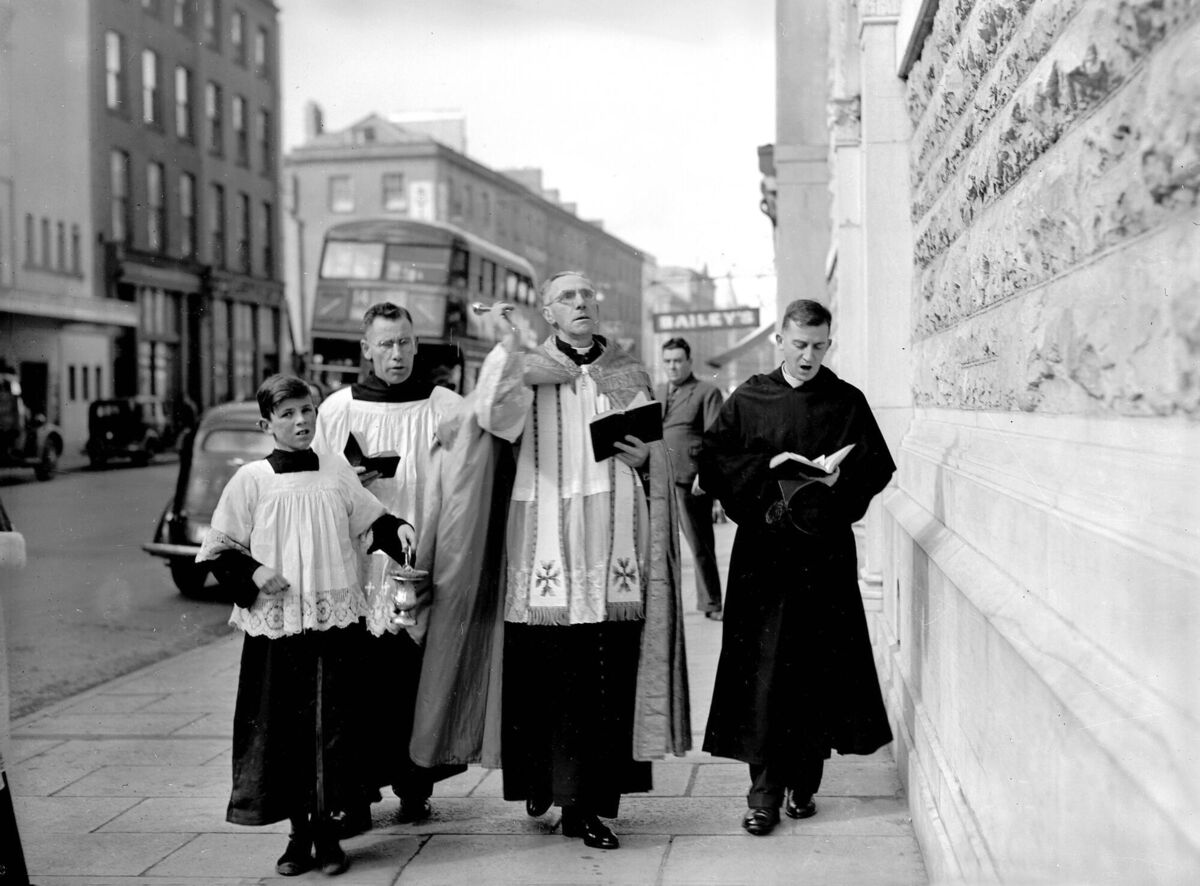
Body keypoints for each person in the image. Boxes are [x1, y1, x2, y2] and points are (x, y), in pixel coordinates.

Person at [472, 271, 691, 851]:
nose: (581, 303)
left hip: (613, 535)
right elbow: (493, 417)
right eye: (567, 297)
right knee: (549, 671)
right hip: (544, 529)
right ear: (547, 313)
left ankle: (587, 804)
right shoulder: (526, 369)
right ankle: (546, 780)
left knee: (602, 673)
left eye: (588, 294)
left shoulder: (628, 371)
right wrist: (505, 348)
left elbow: (656, 450)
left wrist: (650, 457)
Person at [198, 374, 416, 876]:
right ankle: (298, 835)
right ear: (267, 423)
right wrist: (254, 571)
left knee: (335, 730)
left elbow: (371, 518)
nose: (301, 422)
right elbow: (219, 547)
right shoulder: (252, 480)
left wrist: (396, 528)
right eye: (288, 414)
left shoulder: (336, 471)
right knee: (286, 731)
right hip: (280, 628)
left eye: (308, 411)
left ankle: (329, 833)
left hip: (336, 624)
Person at [698, 299, 896, 836]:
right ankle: (762, 793)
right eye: (800, 345)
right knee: (762, 671)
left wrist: (834, 490)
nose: (809, 356)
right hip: (763, 555)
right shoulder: (750, 397)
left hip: (823, 556)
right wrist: (767, 472)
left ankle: (803, 783)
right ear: (779, 342)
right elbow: (714, 460)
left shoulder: (845, 400)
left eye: (820, 346)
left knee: (815, 670)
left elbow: (875, 467)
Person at [311, 303, 472, 830]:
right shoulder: (338, 410)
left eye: (404, 342)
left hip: (420, 560)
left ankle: (415, 785)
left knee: (414, 680)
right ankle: (356, 797)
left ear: (416, 344)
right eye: (385, 344)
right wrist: (348, 482)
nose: (397, 353)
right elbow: (311, 482)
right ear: (366, 349)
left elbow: (471, 471)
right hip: (358, 567)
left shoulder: (442, 405)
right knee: (360, 684)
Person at [656, 337, 725, 620]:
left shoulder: (706, 391)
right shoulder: (656, 391)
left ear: (689, 362)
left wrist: (706, 475)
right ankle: (661, 605)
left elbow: (715, 437)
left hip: (690, 478)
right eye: (668, 361)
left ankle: (712, 603)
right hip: (659, 477)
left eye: (677, 361)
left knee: (699, 544)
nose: (672, 367)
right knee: (658, 547)